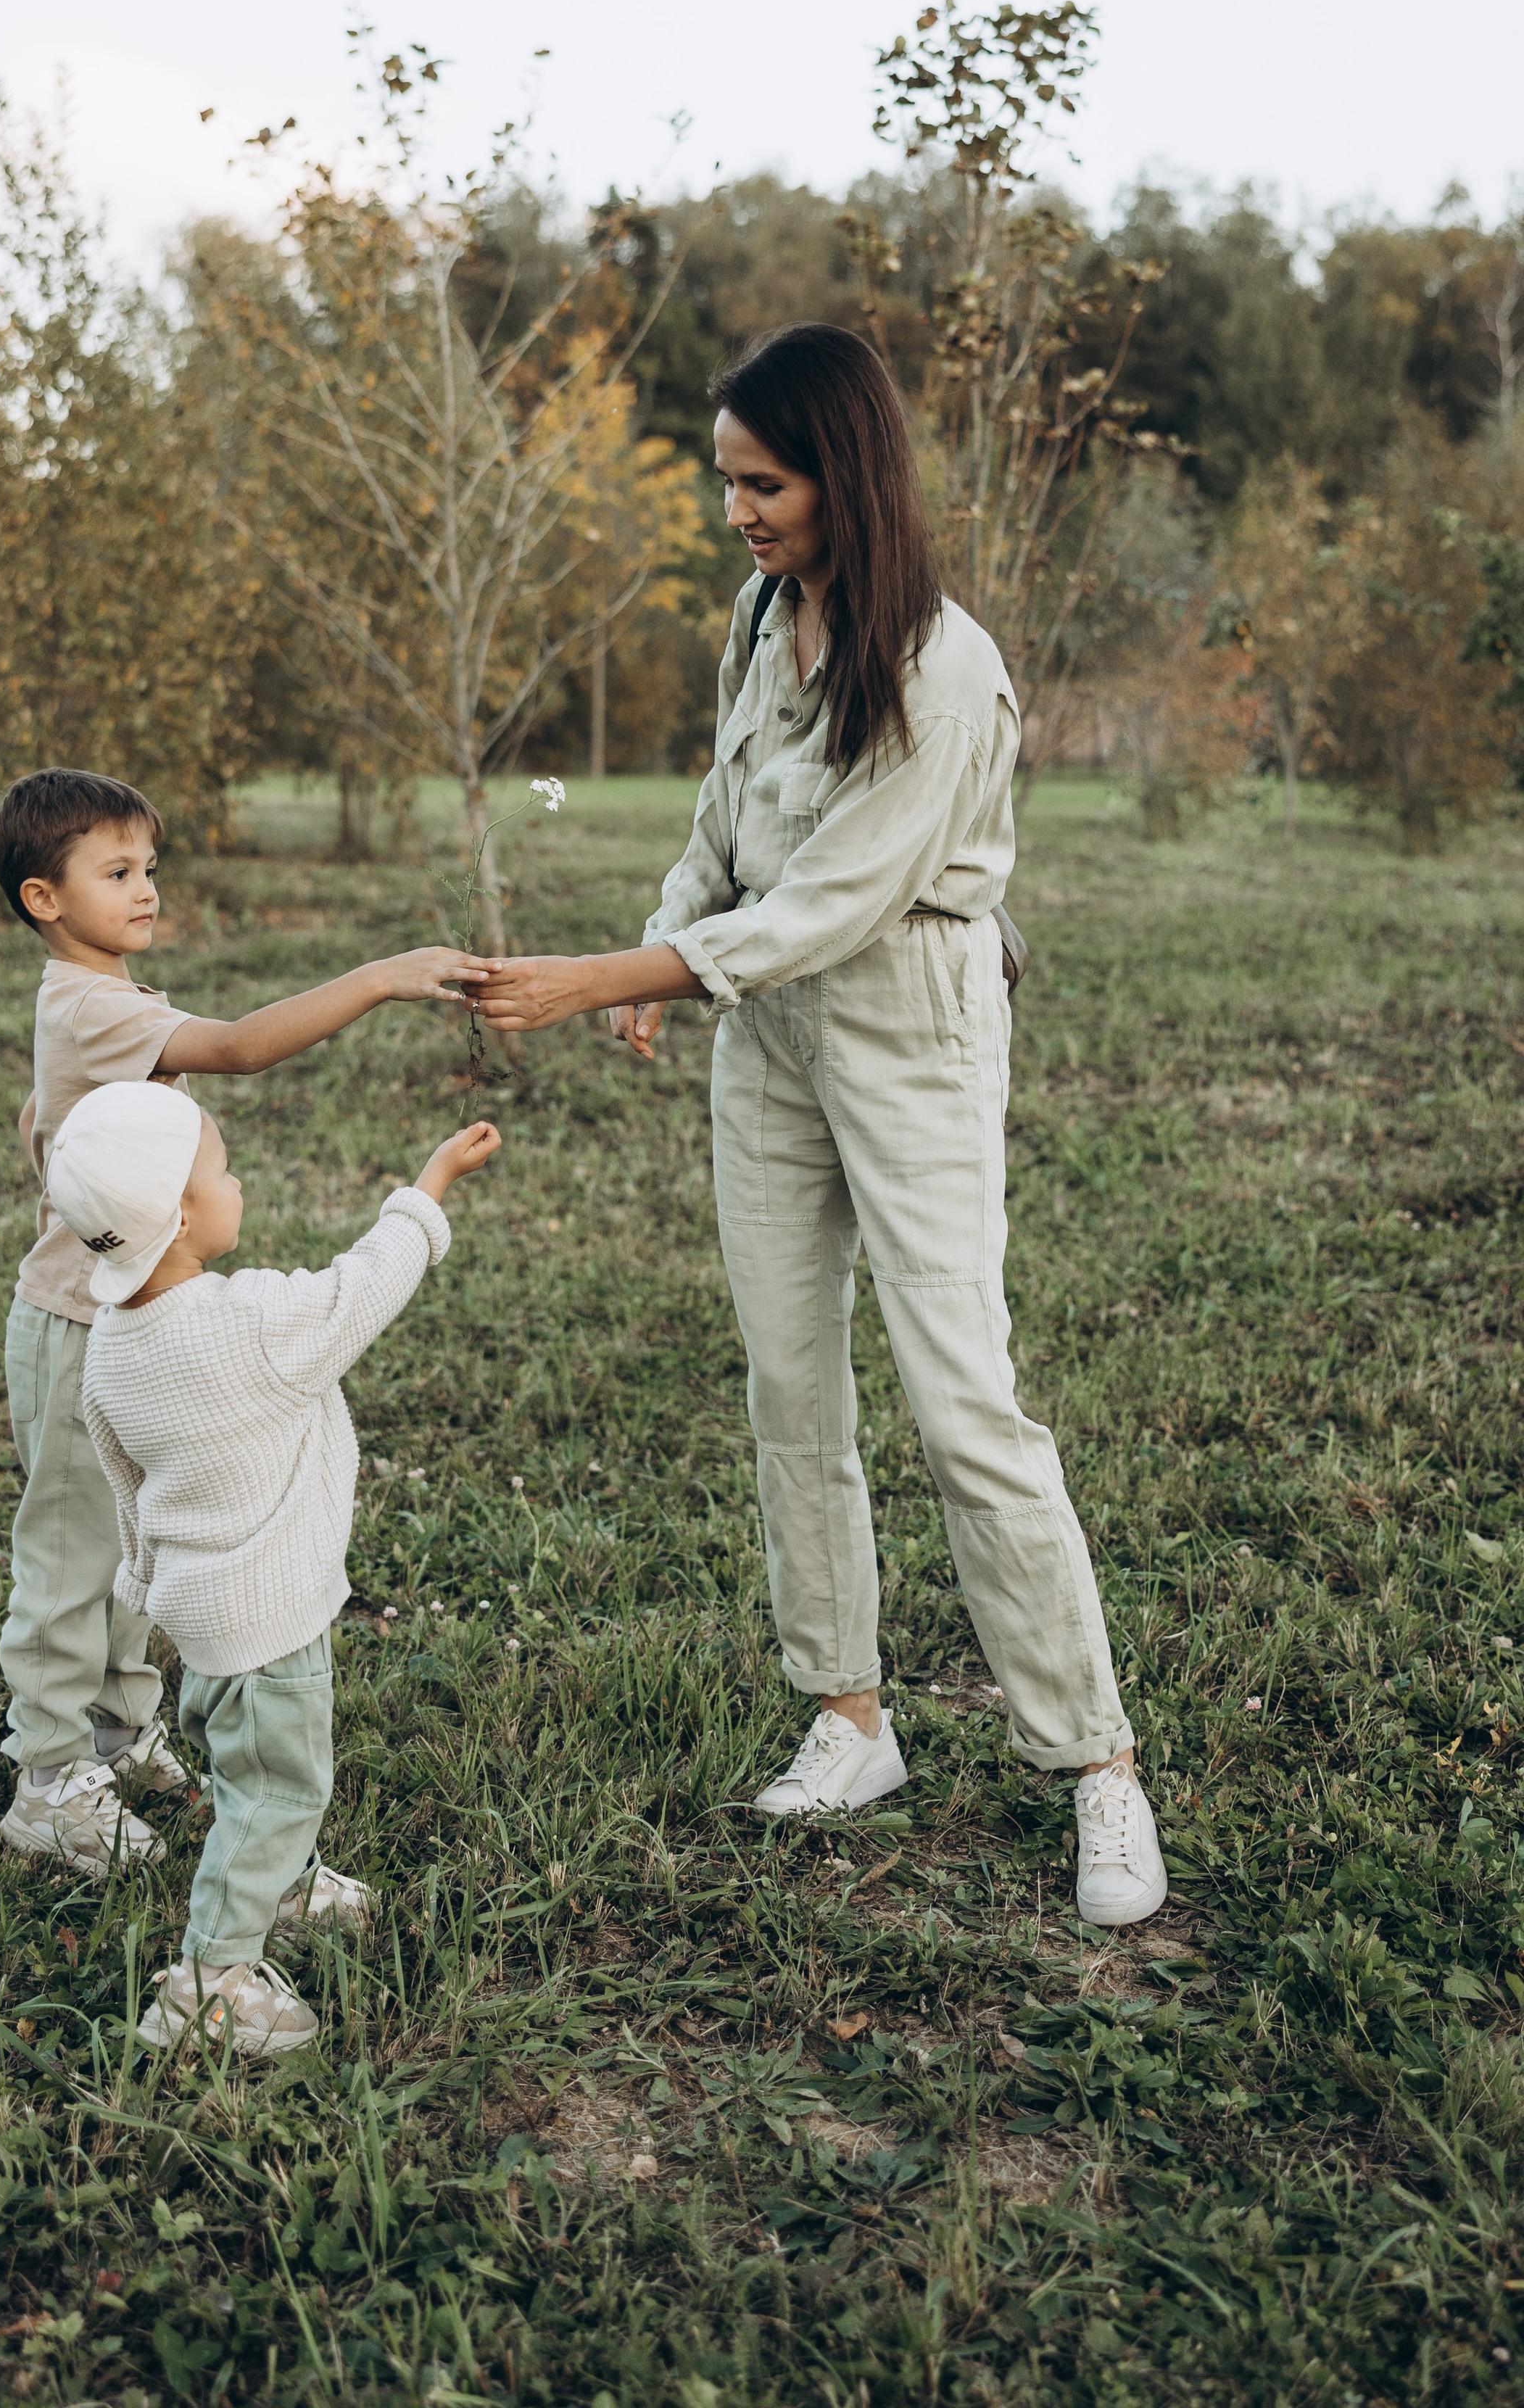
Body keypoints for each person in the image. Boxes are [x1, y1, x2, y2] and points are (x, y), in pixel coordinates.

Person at [471, 325, 1165, 1927]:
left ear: (842, 474)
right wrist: (666, 937)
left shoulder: (945, 664)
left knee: (961, 1402)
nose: (737, 512)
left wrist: (609, 977)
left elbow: (843, 895)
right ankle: (848, 1717)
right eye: (724, 483)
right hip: (763, 1036)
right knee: (793, 1385)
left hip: (905, 1030)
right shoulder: (761, 613)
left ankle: (1094, 1764)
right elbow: (728, 814)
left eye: (761, 483)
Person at [0, 766, 491, 1879]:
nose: (146, 889)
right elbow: (248, 1046)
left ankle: (118, 1733)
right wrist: (382, 977)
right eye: (116, 872)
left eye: (149, 867)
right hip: (75, 1321)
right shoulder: (87, 1004)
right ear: (44, 899)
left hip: (112, 1315)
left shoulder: (94, 998)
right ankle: (48, 1777)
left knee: (130, 1542)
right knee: (72, 1556)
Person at [46, 1080, 500, 2056]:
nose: (236, 1180)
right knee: (281, 1787)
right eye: (221, 1169)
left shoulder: (111, 1350)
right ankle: (209, 1987)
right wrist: (427, 1190)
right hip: (272, 1621)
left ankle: (284, 1882)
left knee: (239, 1763)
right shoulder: (253, 1323)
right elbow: (365, 1287)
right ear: (178, 1213)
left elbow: (123, 1483)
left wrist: (142, 1582)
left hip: (199, 1619)